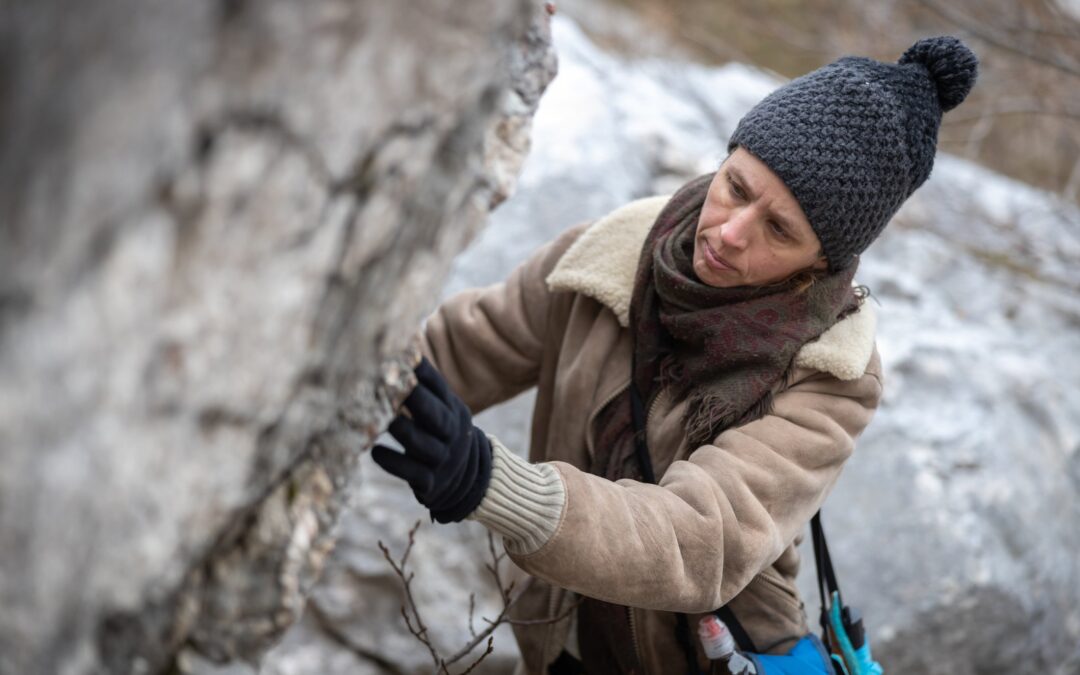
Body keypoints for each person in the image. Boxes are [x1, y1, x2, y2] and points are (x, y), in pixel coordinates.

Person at [372, 36, 978, 674]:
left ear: (821, 262)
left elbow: (698, 540)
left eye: (778, 229)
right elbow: (460, 348)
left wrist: (491, 483)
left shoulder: (832, 376)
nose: (731, 233)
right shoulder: (614, 252)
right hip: (558, 643)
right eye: (736, 187)